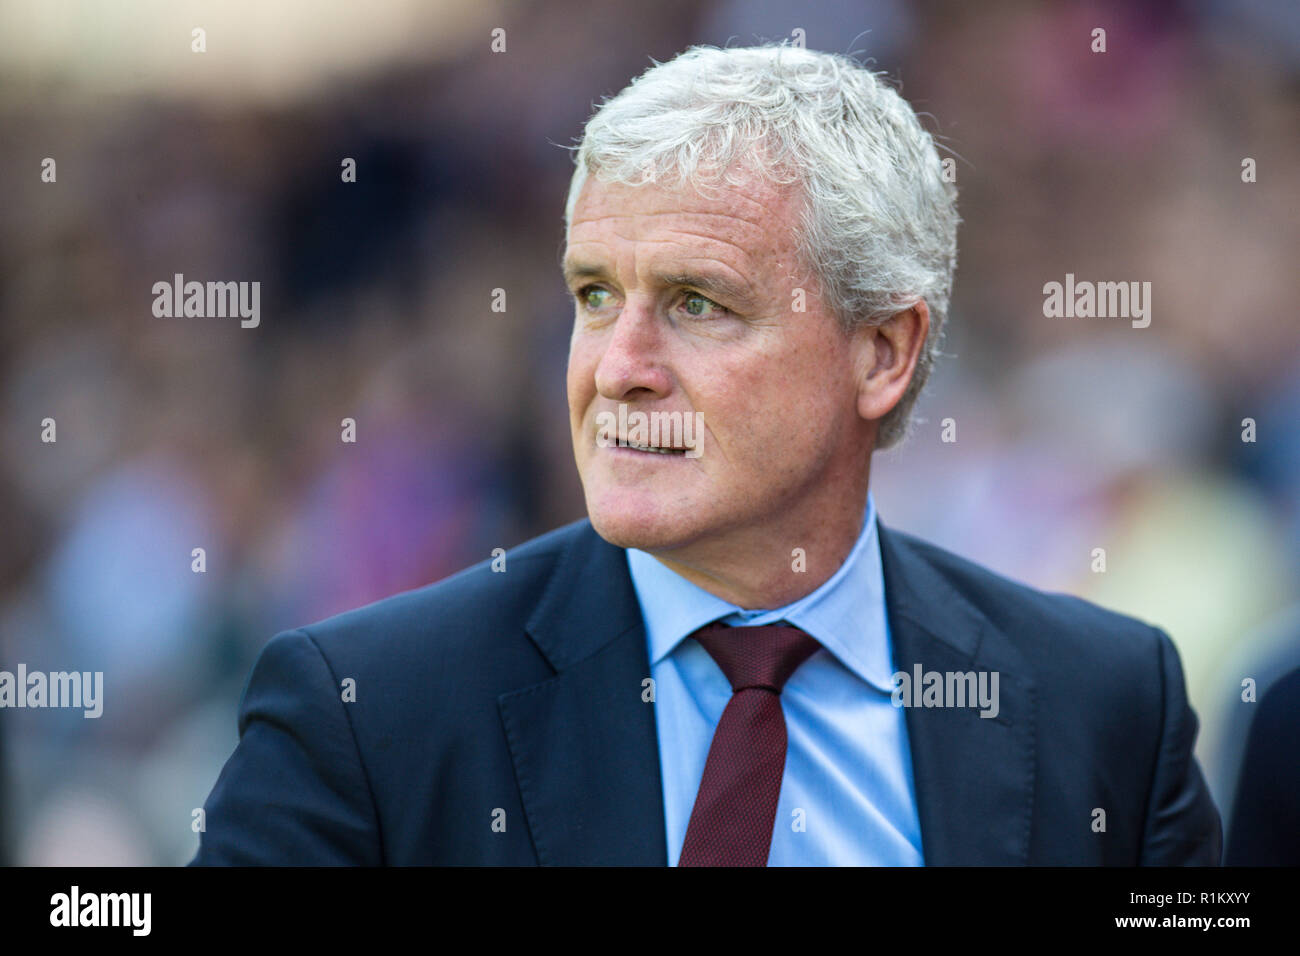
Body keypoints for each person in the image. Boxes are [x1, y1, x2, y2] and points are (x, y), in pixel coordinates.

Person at [191, 43, 1221, 866]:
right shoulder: (371, 711)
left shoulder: (1103, 701)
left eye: (697, 303)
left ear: (881, 351)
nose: (616, 366)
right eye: (594, 295)